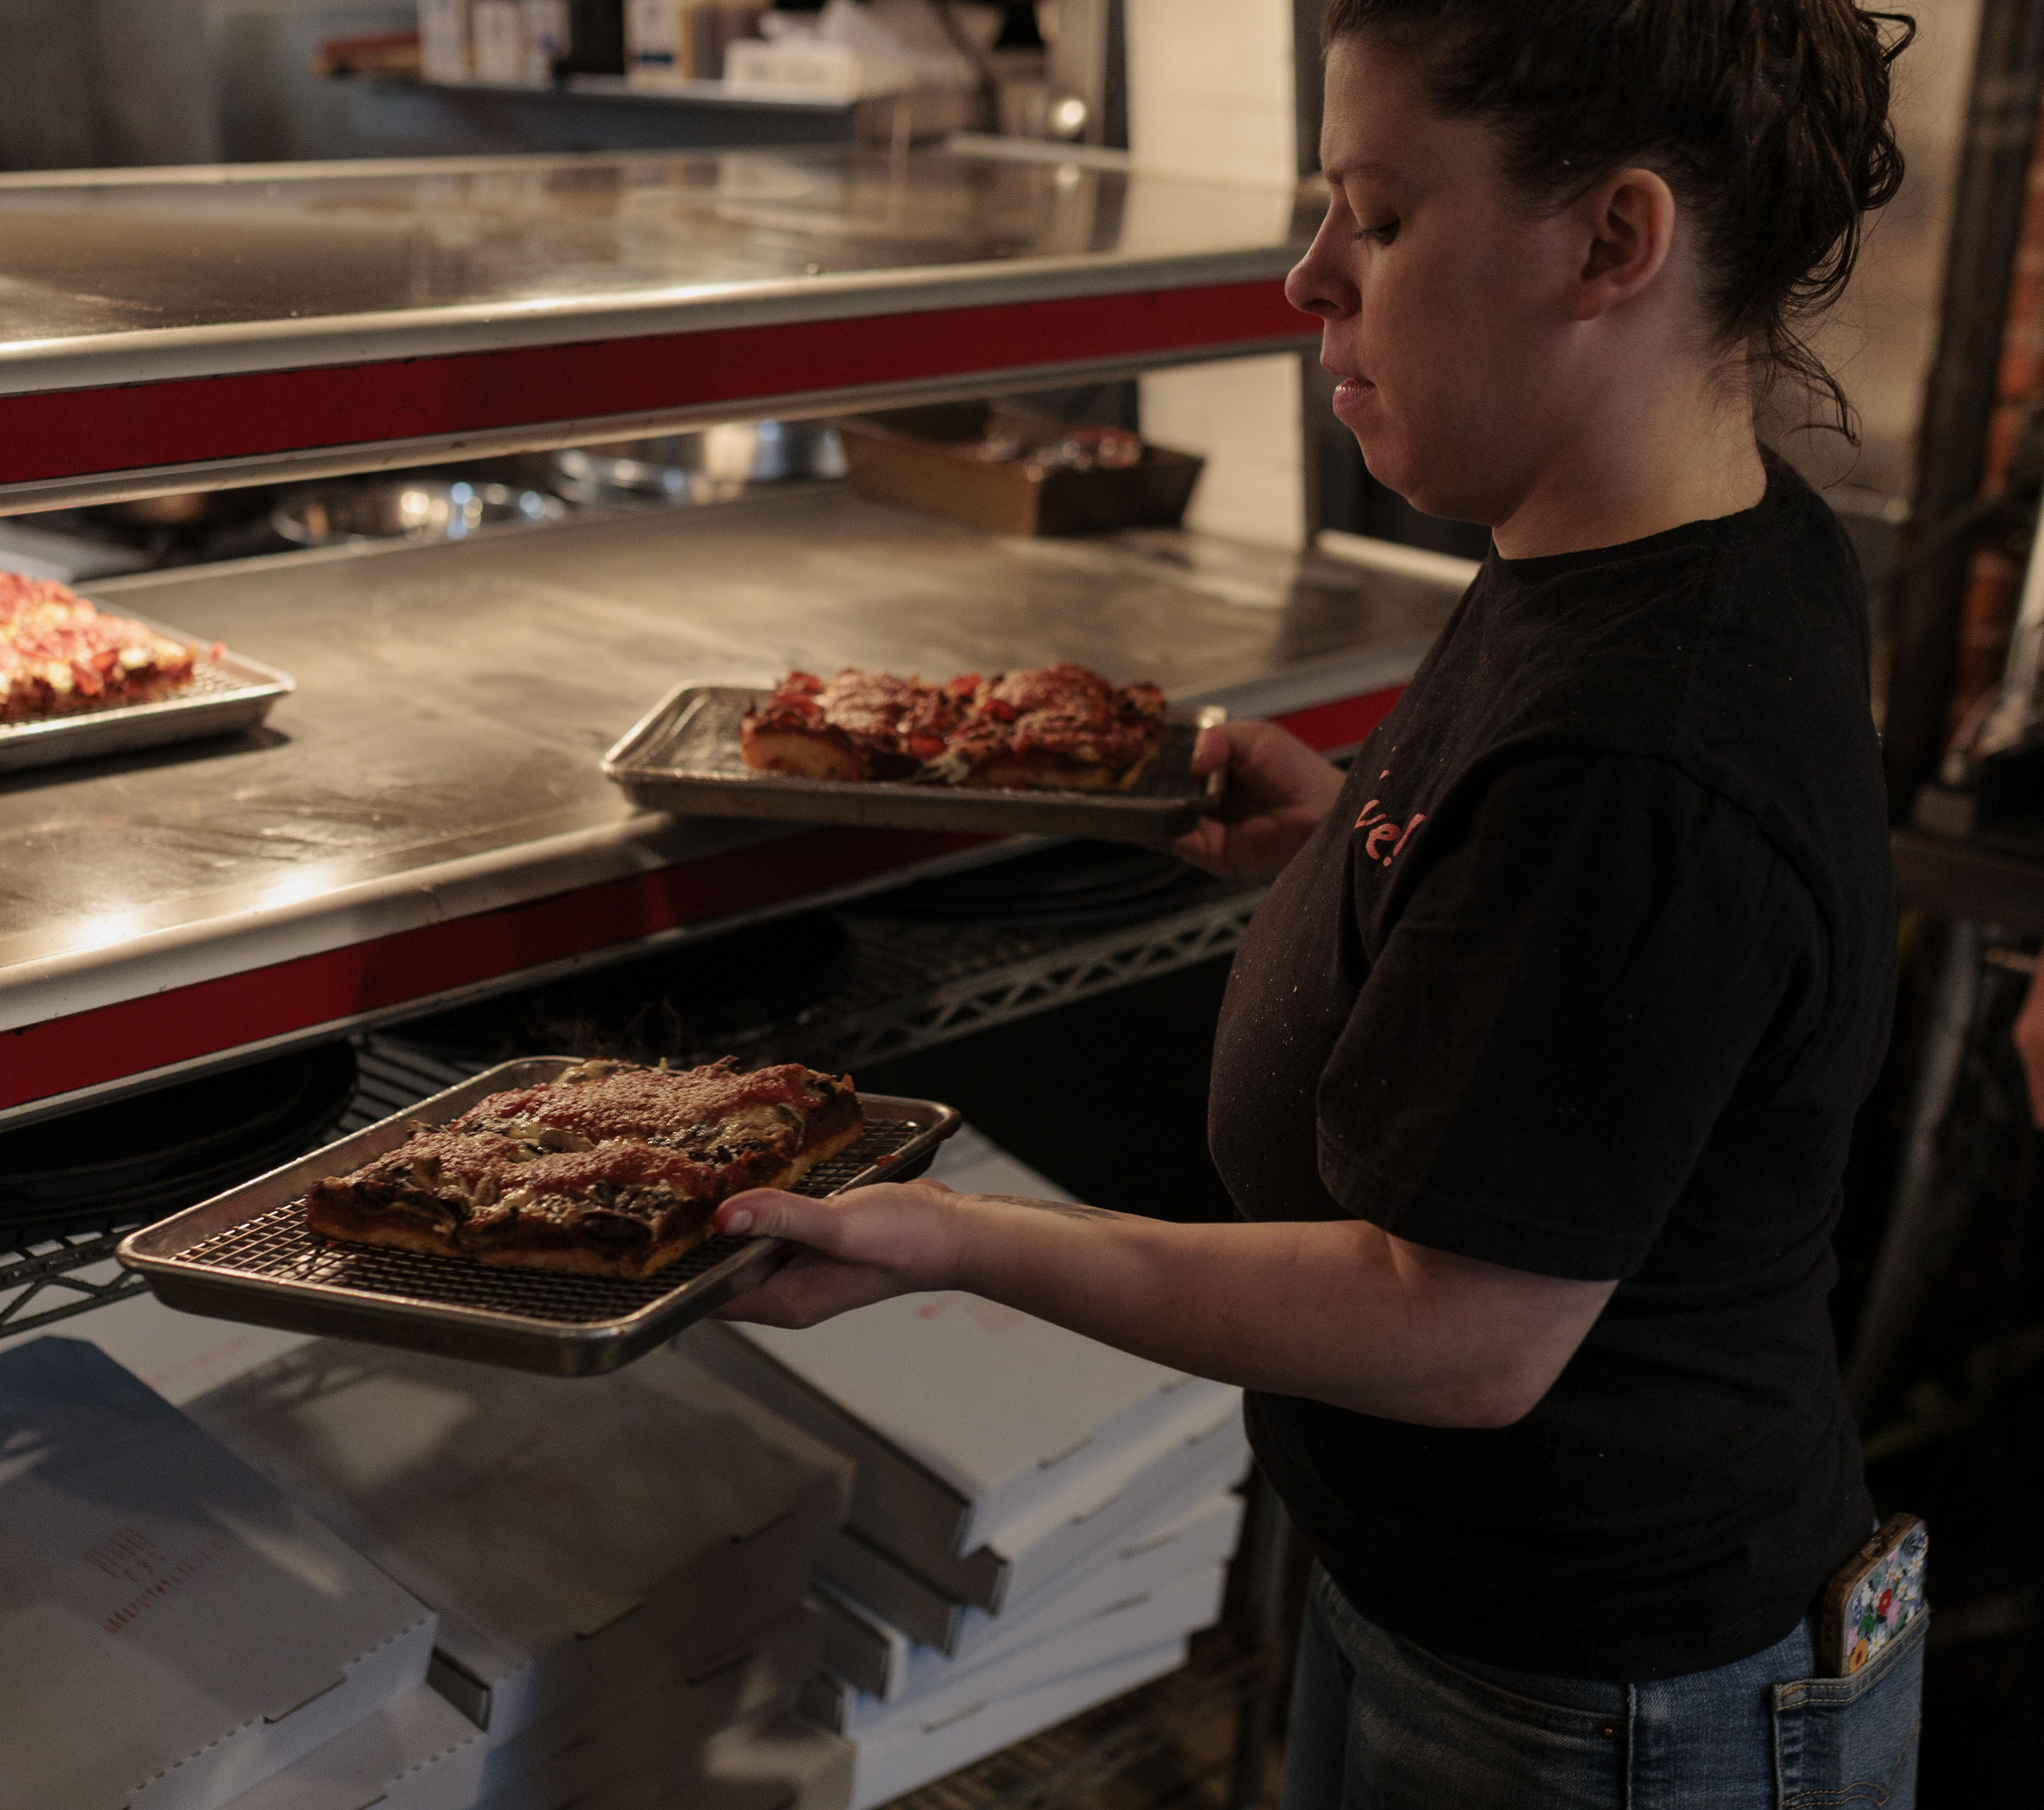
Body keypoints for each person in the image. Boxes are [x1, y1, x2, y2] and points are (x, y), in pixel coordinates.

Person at [714, 2, 1923, 1803]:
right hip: (1468, 1620)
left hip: (1612, 1708)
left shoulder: (1653, 736)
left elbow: (1462, 1330)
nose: (1307, 277)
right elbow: (1580, 966)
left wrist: (948, 1236)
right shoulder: (1618, 552)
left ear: (1612, 243)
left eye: (1378, 214)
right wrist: (1359, 833)